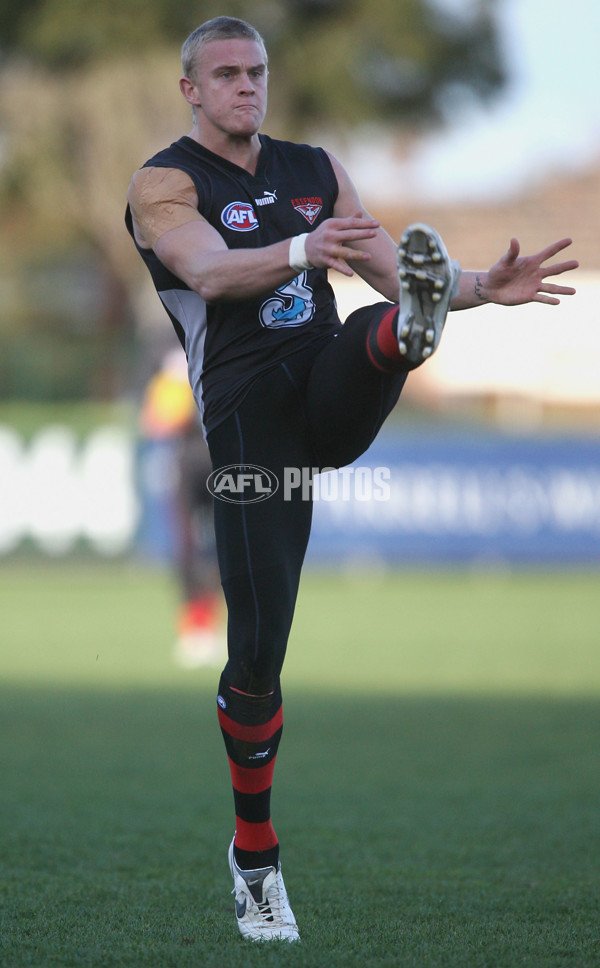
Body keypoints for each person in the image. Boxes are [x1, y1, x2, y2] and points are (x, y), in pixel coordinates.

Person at [125, 16, 578, 943]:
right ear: (191, 90)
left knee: (383, 321)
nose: (248, 86)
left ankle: (403, 337)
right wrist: (300, 251)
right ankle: (255, 858)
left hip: (329, 373)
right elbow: (207, 273)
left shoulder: (317, 170)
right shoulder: (165, 182)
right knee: (256, 660)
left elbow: (386, 264)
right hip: (248, 421)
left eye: (256, 70)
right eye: (227, 73)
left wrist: (483, 287)